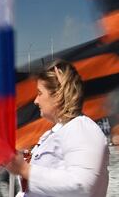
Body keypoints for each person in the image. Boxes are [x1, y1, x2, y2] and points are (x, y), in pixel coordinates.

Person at [6, 60, 109, 197]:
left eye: (40, 93)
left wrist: (25, 170)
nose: (36, 101)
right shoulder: (58, 132)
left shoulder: (81, 129)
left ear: (58, 95)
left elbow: (83, 185)